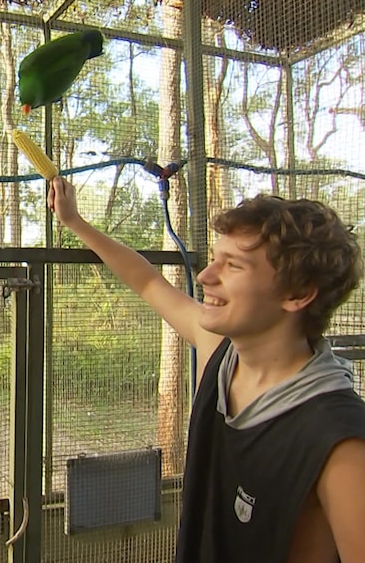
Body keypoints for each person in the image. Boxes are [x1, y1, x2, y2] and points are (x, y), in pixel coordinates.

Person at [48, 176, 365, 563]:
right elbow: (147, 281)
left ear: (298, 294)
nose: (204, 276)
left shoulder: (340, 442)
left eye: (233, 266)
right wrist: (75, 222)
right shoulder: (222, 353)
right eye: (214, 258)